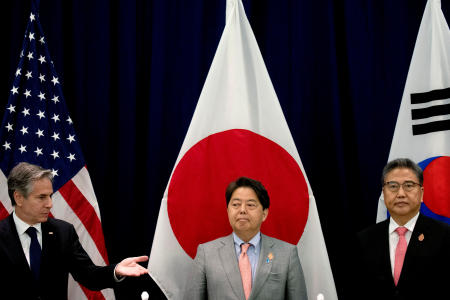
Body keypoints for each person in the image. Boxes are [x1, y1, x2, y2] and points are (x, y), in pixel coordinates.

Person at [0, 162, 149, 300]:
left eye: (50, 196)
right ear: (19, 198)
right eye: (41, 197)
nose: (50, 204)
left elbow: (89, 275)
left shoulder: (63, 232)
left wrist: (115, 270)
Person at [183, 176, 307, 300]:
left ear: (264, 213)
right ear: (227, 211)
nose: (242, 210)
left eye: (250, 205)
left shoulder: (287, 254)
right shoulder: (206, 253)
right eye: (236, 204)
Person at [355, 158, 450, 300]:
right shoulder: (364, 239)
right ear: (384, 193)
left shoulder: (445, 235)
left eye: (409, 185)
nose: (400, 194)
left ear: (422, 193)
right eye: (393, 186)